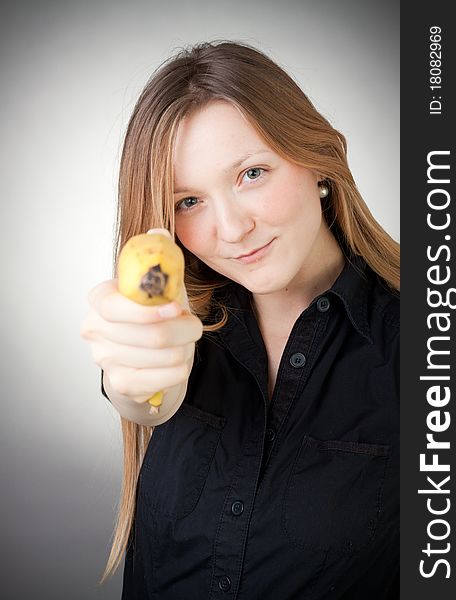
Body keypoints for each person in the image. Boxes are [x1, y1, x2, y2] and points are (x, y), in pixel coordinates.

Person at [80, 40, 399, 599]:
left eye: (252, 173)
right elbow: (144, 394)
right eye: (189, 202)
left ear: (317, 161)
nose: (230, 229)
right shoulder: (181, 322)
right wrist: (133, 385)